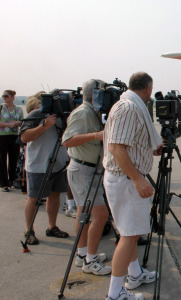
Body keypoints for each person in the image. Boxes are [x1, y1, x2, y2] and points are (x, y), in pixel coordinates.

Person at [103, 72, 163, 300]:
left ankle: (135, 274)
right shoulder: (129, 108)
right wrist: (138, 179)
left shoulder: (127, 105)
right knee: (129, 236)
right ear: (148, 89)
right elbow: (117, 148)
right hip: (127, 181)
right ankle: (115, 294)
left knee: (130, 232)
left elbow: (129, 143)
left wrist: (150, 148)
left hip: (124, 179)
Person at [62, 79, 110, 275]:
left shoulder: (92, 112)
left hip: (88, 169)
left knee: (84, 214)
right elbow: (67, 140)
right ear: (95, 94)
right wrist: (96, 136)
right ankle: (90, 260)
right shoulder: (83, 113)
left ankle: (83, 254)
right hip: (82, 170)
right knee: (100, 215)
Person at [19, 91, 70, 245]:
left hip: (59, 164)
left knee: (54, 196)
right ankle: (29, 230)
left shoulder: (64, 115)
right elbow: (24, 137)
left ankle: (52, 226)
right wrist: (45, 125)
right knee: (33, 197)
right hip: (39, 165)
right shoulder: (37, 113)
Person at [0, 90, 24, 192]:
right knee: (2, 160)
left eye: (6, 96)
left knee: (14, 158)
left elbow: (23, 121)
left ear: (12, 97)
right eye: (3, 96)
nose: (4, 98)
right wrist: (8, 125)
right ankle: (4, 183)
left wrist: (17, 123)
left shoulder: (18, 109)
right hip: (2, 136)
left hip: (14, 135)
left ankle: (13, 180)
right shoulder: (1, 108)